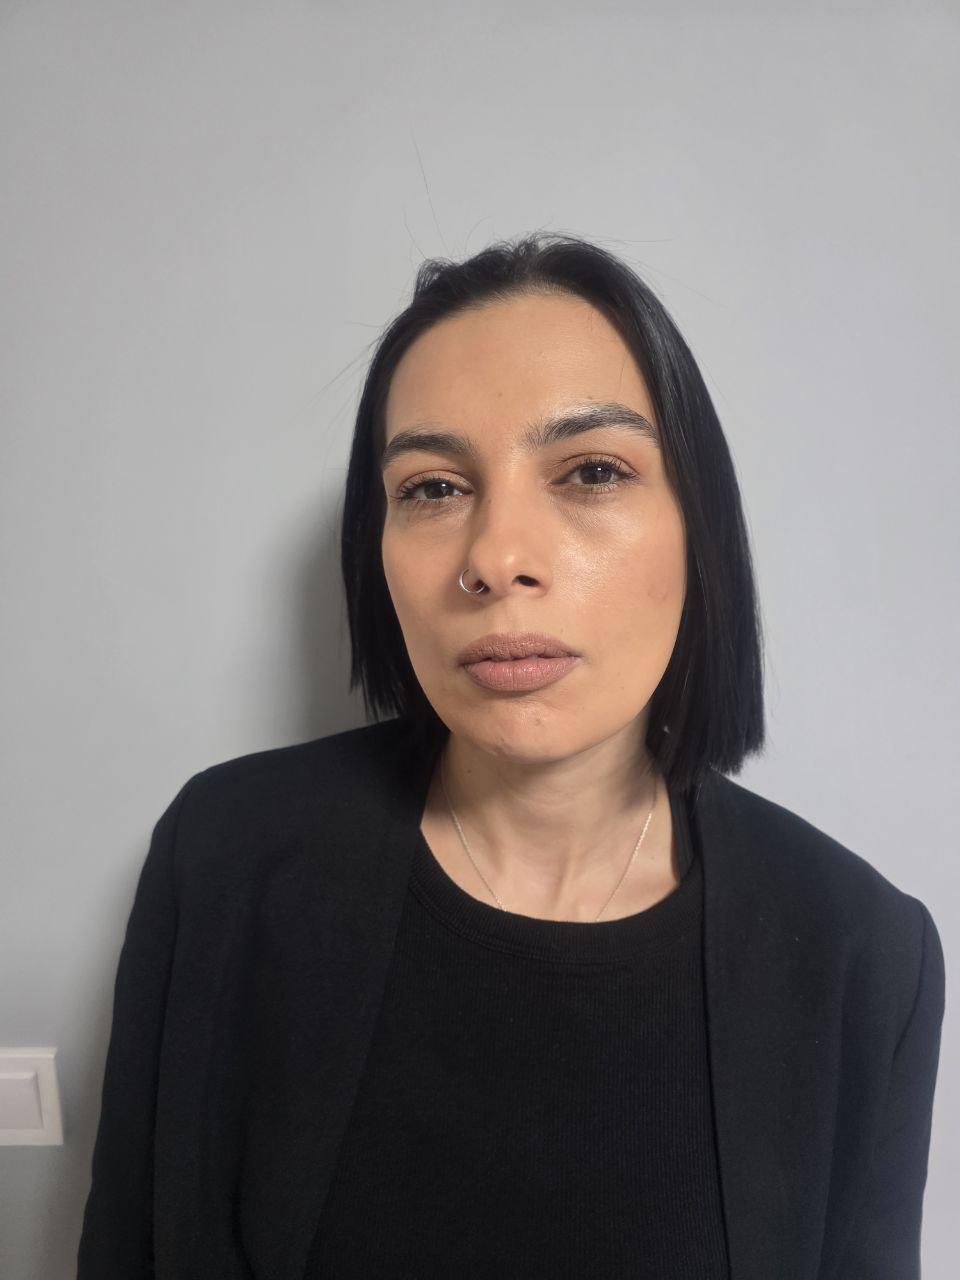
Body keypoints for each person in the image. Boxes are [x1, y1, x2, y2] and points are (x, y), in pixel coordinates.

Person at [77, 233, 945, 1279]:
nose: (494, 558)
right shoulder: (225, 856)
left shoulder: (861, 952)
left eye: (592, 471)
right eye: (433, 488)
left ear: (700, 531)